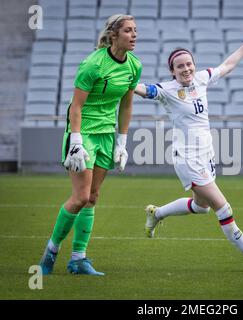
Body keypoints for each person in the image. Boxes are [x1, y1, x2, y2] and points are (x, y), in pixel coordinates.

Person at [135, 23, 243, 272]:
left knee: (200, 207)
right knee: (223, 207)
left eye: (189, 64)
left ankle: (156, 214)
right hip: (188, 160)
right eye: (180, 66)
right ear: (172, 70)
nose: (186, 69)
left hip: (206, 155)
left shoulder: (201, 78)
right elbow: (141, 89)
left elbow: (228, 65)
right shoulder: (167, 90)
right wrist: (123, 80)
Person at [39, 14, 142, 275]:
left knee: (93, 197)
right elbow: (77, 105)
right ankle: (50, 251)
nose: (134, 35)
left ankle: (78, 259)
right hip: (82, 133)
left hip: (107, 135)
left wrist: (122, 142)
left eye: (135, 31)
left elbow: (127, 105)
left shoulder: (134, 66)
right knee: (80, 197)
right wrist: (74, 140)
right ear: (114, 34)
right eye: (128, 31)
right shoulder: (92, 64)